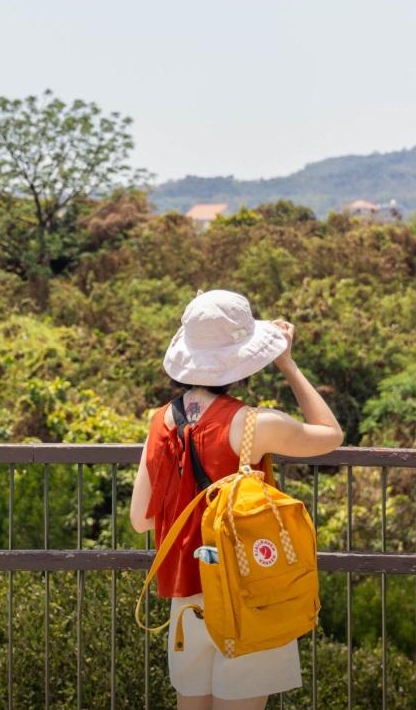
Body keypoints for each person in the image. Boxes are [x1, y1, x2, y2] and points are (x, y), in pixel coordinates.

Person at [129, 289, 344, 710]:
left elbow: (141, 519)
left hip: (186, 599)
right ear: (245, 360)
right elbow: (330, 435)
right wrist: (286, 361)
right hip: (247, 591)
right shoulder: (253, 425)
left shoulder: (159, 423)